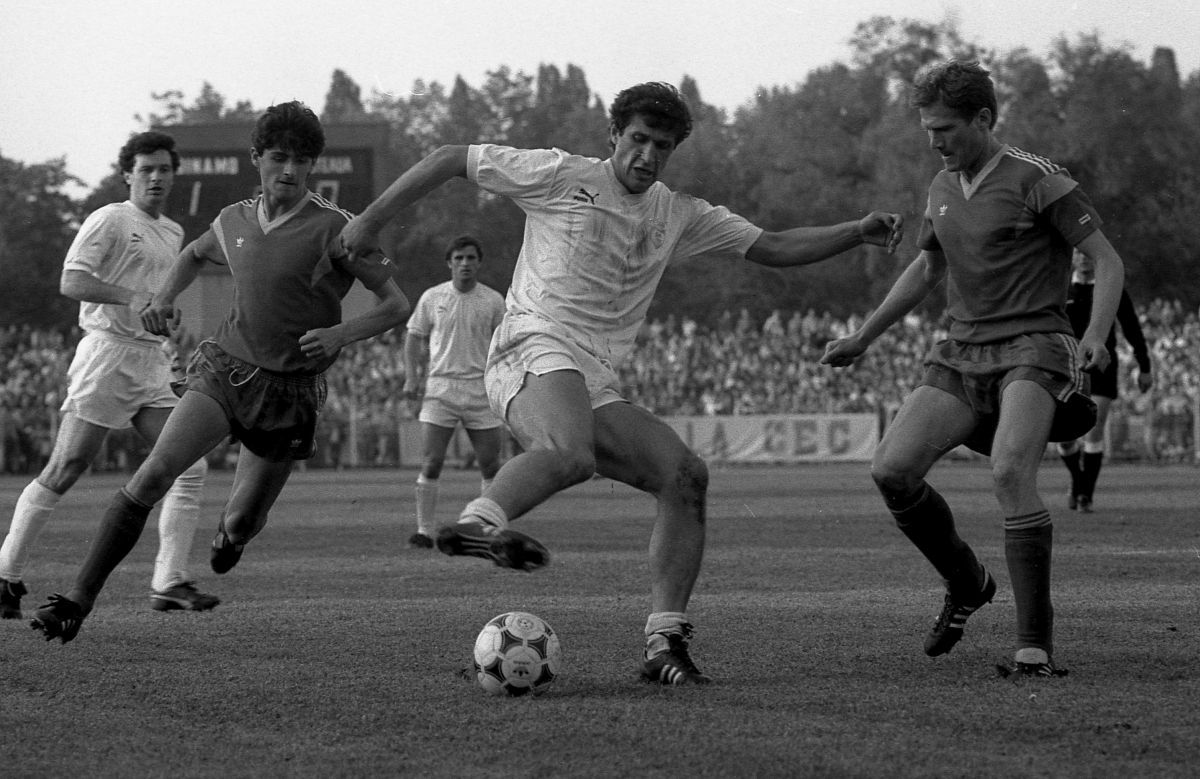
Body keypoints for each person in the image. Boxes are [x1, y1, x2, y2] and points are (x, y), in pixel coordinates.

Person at [341, 82, 903, 685]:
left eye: (661, 146)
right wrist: (369, 221)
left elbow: (772, 246)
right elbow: (452, 156)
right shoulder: (561, 175)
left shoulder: (678, 213)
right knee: (568, 452)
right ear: (614, 135)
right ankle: (480, 524)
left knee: (685, 475)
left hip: (591, 378)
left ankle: (664, 642)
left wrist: (857, 231)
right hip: (530, 344)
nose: (647, 155)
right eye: (637, 139)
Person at [30, 101, 409, 643]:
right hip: (224, 372)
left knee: (243, 521)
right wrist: (161, 296)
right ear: (257, 158)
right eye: (279, 158)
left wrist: (340, 334)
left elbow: (397, 305)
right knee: (154, 473)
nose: (290, 170)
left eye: (302, 160)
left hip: (290, 392)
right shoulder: (233, 219)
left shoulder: (339, 230)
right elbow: (190, 256)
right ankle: (76, 600)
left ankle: (231, 536)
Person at [822, 60, 1125, 678]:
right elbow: (928, 270)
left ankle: (1033, 648)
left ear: (984, 119)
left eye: (945, 128)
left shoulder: (1041, 180)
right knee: (892, 470)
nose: (934, 141)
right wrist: (863, 336)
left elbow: (1108, 260)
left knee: (1012, 472)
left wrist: (1095, 334)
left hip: (1035, 344)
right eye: (927, 129)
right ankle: (966, 582)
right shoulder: (940, 186)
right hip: (962, 350)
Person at [0, 131, 218, 621]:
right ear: (128, 175)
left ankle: (168, 581)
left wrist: (168, 322)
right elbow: (71, 280)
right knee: (67, 466)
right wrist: (131, 299)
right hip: (107, 355)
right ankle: (6, 576)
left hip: (150, 359)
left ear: (174, 174)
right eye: (147, 170)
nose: (157, 177)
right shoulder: (111, 218)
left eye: (164, 169)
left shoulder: (174, 232)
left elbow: (156, 298)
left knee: (189, 465)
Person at [403, 235, 506, 549]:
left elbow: (504, 343)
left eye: (471, 258)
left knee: (490, 464)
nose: (465, 264)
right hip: (440, 389)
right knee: (432, 462)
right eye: (459, 258)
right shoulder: (433, 297)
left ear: (479, 262)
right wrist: (411, 377)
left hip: (480, 390)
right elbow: (413, 338)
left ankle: (487, 527)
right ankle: (424, 530)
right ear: (449, 263)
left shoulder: (493, 300)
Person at [1057, 248, 1153, 512]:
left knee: (1095, 428)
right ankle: (1078, 482)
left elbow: (1132, 327)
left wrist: (1145, 366)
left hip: (1101, 367)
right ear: (1073, 257)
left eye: (1089, 253)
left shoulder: (1111, 290)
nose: (1085, 258)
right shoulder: (1060, 289)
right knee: (1065, 437)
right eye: (1079, 253)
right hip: (1065, 368)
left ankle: (1085, 495)